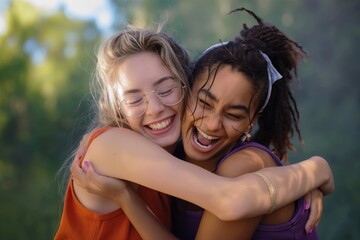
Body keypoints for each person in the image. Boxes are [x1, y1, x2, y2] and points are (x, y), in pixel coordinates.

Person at [56, 20, 334, 240]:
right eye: (134, 98)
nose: (154, 108)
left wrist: (302, 178)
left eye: (165, 89)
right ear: (116, 107)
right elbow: (230, 200)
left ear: (184, 87)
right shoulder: (112, 146)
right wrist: (314, 171)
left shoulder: (181, 160)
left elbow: (236, 198)